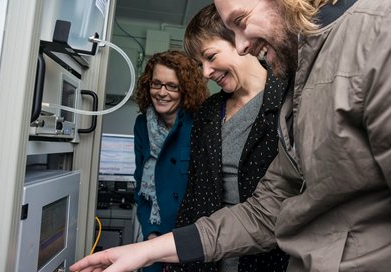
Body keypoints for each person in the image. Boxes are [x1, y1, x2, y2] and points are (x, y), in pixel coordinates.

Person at [70, 0, 391, 271]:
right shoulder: (302, 82)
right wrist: (147, 249)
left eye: (241, 21)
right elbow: (267, 209)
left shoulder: (375, 34)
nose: (241, 46)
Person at [166, 4, 290, 272]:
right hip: (210, 252)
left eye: (210, 57)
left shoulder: (287, 98)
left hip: (270, 254)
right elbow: (194, 193)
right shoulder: (208, 111)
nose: (205, 72)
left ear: (238, 40)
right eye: (200, 64)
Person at [132, 50, 209, 272]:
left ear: (185, 90)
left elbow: (206, 189)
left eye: (172, 86)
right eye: (156, 84)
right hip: (155, 235)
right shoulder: (141, 125)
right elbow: (140, 184)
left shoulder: (201, 124)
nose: (162, 93)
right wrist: (150, 230)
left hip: (190, 236)